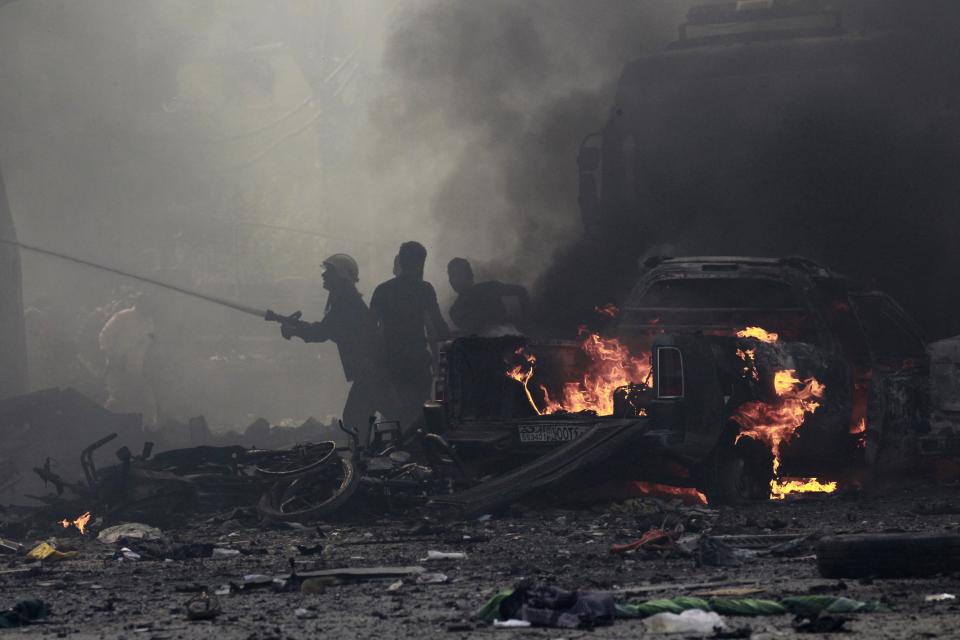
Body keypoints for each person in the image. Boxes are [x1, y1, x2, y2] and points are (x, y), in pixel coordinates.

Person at [271, 253, 386, 443]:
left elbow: (323, 331)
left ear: (341, 275)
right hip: (371, 369)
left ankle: (364, 459)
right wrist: (296, 327)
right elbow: (327, 329)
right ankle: (368, 455)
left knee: (355, 418)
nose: (323, 276)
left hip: (370, 370)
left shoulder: (345, 301)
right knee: (367, 415)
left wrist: (295, 330)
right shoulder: (344, 298)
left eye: (328, 272)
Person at [369, 241, 448, 430]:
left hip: (391, 365)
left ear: (401, 261)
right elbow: (438, 327)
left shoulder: (382, 290)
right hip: (417, 364)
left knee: (394, 419)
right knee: (417, 417)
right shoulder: (424, 289)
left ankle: (396, 453)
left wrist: (375, 362)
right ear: (421, 263)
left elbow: (369, 329)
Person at [98, 293, 158, 424]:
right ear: (140, 303)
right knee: (116, 399)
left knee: (145, 402)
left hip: (136, 369)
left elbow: (148, 345)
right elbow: (104, 336)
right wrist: (111, 356)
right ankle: (101, 424)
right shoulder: (123, 316)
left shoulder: (149, 322)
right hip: (117, 367)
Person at [447, 257, 530, 336]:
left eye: (459, 275)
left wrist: (526, 323)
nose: (454, 280)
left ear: (470, 275)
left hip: (508, 339)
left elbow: (521, 291)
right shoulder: (455, 311)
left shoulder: (490, 288)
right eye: (452, 276)